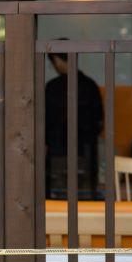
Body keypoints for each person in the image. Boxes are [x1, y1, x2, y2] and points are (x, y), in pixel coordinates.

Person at [44, 52, 103, 197]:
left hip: (57, 152)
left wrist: (47, 142)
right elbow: (99, 121)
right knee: (84, 197)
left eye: (53, 61)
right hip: (86, 151)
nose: (54, 65)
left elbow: (44, 121)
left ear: (59, 60)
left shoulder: (52, 87)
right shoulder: (90, 85)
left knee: (58, 198)